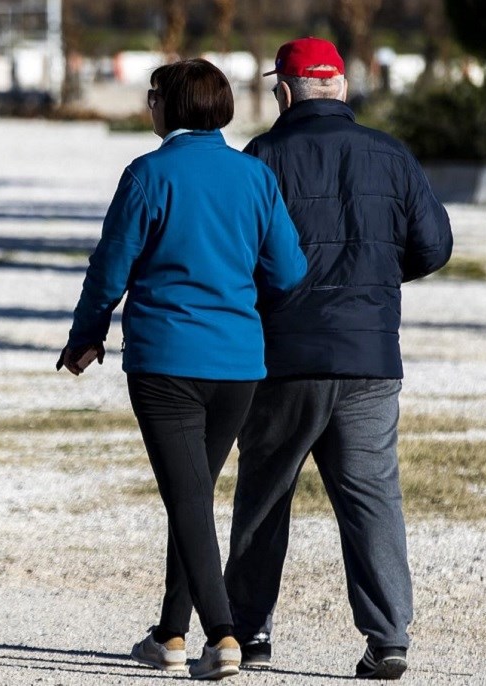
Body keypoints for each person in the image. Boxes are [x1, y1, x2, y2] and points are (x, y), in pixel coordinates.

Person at [58, 58, 307, 681]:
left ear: (169, 106)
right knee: (189, 495)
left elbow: (110, 266)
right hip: (239, 365)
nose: (149, 105)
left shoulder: (147, 174)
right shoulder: (254, 176)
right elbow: (289, 273)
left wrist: (86, 334)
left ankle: (222, 636)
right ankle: (170, 634)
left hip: (166, 360)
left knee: (189, 498)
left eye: (153, 96)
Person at [222, 37, 453, 681]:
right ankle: (388, 638)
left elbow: (240, 256)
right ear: (342, 89)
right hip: (370, 356)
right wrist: (377, 281)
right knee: (372, 497)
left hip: (282, 357)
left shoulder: (262, 157)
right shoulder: (391, 153)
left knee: (265, 495)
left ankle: (250, 631)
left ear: (286, 91)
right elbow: (434, 246)